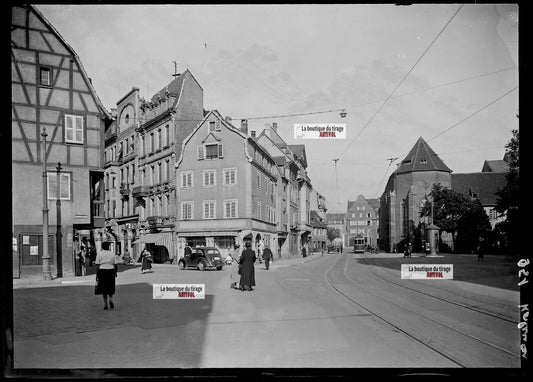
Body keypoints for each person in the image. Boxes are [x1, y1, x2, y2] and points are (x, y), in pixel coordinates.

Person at [95, 241, 117, 310]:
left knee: (103, 287)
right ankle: (110, 299)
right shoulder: (112, 254)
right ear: (108, 247)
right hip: (110, 270)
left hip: (102, 271)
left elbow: (97, 265)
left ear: (102, 247)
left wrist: (97, 274)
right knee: (110, 286)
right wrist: (115, 272)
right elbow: (115, 264)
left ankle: (105, 304)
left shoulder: (100, 254)